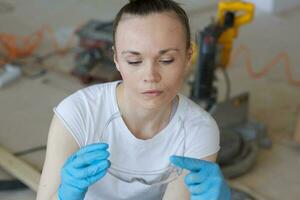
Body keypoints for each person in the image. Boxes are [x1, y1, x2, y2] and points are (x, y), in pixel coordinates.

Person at [36, 0, 231, 199]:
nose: (150, 76)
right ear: (116, 59)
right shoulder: (79, 113)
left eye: (166, 60)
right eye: (134, 61)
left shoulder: (198, 129)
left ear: (188, 56)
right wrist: (64, 196)